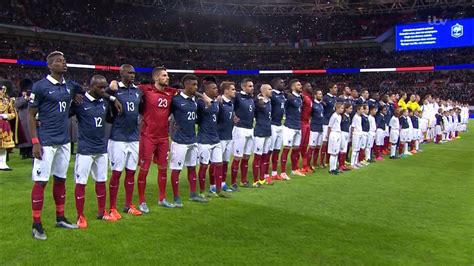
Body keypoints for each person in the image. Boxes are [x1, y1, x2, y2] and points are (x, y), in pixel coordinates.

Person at [28, 51, 81, 240]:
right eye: (59, 61)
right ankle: (36, 224)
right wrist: (35, 142)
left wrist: (113, 94)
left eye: (65, 60)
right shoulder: (41, 86)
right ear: (50, 66)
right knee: (41, 181)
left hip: (64, 141)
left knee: (60, 179)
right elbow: (31, 115)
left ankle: (60, 217)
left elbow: (90, 90)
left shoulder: (70, 86)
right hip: (46, 141)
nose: (63, 62)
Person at [72, 75, 117, 229]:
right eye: (100, 87)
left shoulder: (104, 102)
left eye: (104, 87)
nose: (103, 90)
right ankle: (80, 216)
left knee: (101, 181)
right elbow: (66, 113)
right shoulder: (79, 102)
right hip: (85, 149)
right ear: (91, 87)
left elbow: (110, 116)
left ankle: (101, 212)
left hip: (101, 148)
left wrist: (112, 99)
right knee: (81, 182)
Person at [107, 65, 143, 219]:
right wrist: (111, 94)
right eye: (129, 73)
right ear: (121, 74)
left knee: (131, 172)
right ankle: (112, 208)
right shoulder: (113, 89)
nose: (132, 75)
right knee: (116, 173)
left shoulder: (138, 92)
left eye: (134, 73)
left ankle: (128, 205)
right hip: (117, 138)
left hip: (134, 138)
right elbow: (97, 92)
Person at [170, 74, 208, 207]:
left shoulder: (194, 101)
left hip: (193, 139)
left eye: (197, 85)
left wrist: (202, 96)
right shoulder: (175, 100)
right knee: (177, 169)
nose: (196, 87)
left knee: (192, 167)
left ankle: (193, 194)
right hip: (179, 140)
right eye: (193, 84)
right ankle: (176, 197)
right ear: (185, 85)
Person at [196, 79, 229, 198]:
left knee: (219, 164)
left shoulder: (216, 103)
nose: (217, 90)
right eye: (214, 88)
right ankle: (202, 191)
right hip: (204, 139)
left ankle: (219, 190)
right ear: (207, 90)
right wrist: (202, 96)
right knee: (204, 165)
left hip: (216, 139)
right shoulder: (200, 102)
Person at [231, 78, 256, 188]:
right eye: (250, 86)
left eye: (252, 86)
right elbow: (226, 103)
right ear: (243, 87)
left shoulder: (251, 98)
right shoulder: (237, 96)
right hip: (240, 130)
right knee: (237, 157)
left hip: (250, 129)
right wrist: (233, 115)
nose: (252, 88)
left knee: (246, 156)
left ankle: (243, 180)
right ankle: (233, 182)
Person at [280, 79, 304, 179]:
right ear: (293, 87)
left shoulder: (300, 98)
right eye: (298, 85)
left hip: (298, 126)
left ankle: (294, 170)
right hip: (289, 126)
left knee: (296, 149)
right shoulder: (289, 97)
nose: (301, 86)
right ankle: (282, 172)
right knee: (286, 149)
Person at [252, 84, 273, 187]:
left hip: (268, 132)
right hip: (259, 132)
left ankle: (262, 179)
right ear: (264, 91)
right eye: (269, 89)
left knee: (265, 156)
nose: (271, 91)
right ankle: (255, 181)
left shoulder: (269, 102)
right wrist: (258, 98)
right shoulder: (257, 102)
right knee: (258, 157)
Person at [216, 81, 236, 192]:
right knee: (217, 162)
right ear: (226, 91)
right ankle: (213, 185)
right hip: (220, 137)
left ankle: (222, 183)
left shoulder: (230, 103)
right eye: (232, 89)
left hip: (229, 136)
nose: (234, 91)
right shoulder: (219, 102)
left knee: (225, 161)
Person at [269, 78, 286, 181]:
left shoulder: (282, 95)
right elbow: (262, 97)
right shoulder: (272, 94)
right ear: (275, 84)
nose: (283, 83)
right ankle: (266, 174)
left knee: (277, 150)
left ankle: (274, 172)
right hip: (272, 125)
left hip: (280, 124)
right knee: (269, 151)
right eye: (281, 82)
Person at [15, 79, 33, 159]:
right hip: (22, 120)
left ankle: (30, 152)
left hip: (29, 119)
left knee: (30, 136)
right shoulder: (19, 98)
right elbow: (16, 105)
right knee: (23, 137)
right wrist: (25, 99)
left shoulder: (32, 98)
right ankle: (23, 153)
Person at [321, 83, 338, 167]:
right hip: (326, 123)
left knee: (330, 142)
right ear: (330, 89)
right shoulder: (325, 98)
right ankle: (321, 162)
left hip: (333, 123)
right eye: (335, 87)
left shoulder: (335, 98)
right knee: (325, 141)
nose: (336, 89)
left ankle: (327, 161)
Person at [307, 89, 324, 169]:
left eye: (321, 94)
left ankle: (314, 163)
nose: (321, 95)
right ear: (315, 95)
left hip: (320, 128)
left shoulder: (321, 105)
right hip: (314, 128)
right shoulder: (312, 105)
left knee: (318, 147)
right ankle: (307, 164)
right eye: (319, 94)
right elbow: (309, 115)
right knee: (312, 147)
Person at [0, 84, 16, 170]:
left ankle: (2, 163)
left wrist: (7, 116)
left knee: (4, 146)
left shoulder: (7, 101)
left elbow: (13, 113)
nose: (2, 92)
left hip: (4, 125)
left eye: (3, 90)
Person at [299, 82, 313, 173]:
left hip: (307, 123)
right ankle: (296, 167)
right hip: (302, 123)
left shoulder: (309, 97)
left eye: (310, 85)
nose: (310, 87)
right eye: (308, 86)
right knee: (300, 145)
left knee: (305, 145)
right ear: (304, 87)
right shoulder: (302, 96)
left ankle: (305, 165)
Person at [327, 102, 344, 175]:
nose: (342, 110)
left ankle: (334, 167)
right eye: (341, 108)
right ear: (337, 108)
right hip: (334, 134)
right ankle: (331, 169)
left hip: (338, 133)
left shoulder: (339, 116)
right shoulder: (333, 116)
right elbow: (330, 126)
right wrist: (328, 136)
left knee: (336, 152)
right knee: (333, 153)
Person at [338, 103, 352, 172]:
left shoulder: (348, 116)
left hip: (347, 133)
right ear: (346, 109)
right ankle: (340, 165)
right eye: (350, 108)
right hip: (342, 133)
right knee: (342, 149)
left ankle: (343, 164)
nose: (351, 110)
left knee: (345, 149)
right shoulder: (342, 116)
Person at [350, 105, 363, 169]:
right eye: (361, 109)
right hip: (356, 134)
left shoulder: (360, 117)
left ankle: (356, 162)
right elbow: (353, 126)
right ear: (358, 110)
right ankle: (352, 164)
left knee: (358, 149)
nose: (362, 110)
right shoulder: (355, 117)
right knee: (355, 149)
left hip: (360, 134)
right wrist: (352, 135)